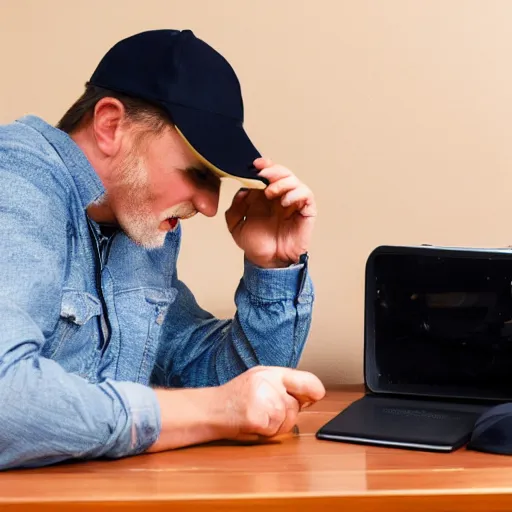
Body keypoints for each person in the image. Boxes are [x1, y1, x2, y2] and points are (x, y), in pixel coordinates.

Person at [0, 28, 325, 470]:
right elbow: (7, 404)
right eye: (197, 173)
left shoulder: (135, 221)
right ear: (111, 125)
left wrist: (271, 265)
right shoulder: (14, 182)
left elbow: (229, 385)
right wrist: (219, 411)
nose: (211, 207)